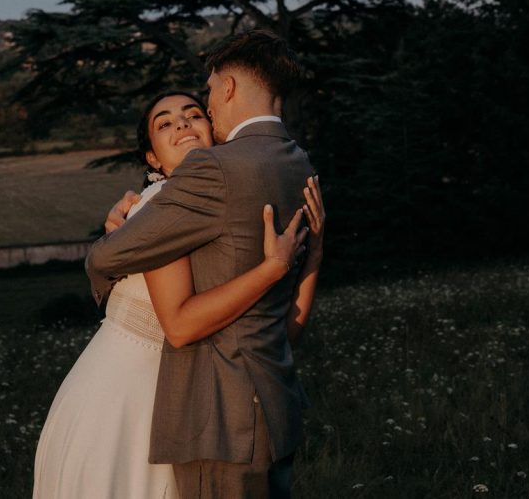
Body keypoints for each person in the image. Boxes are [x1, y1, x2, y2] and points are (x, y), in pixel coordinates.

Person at [33, 87, 325, 498]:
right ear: (152, 158)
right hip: (125, 395)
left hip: (187, 396)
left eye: (193, 115)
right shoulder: (162, 205)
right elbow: (181, 326)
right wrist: (272, 268)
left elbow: (283, 333)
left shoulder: (226, 209)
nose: (182, 124)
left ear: (215, 132)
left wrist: (313, 251)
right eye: (164, 123)